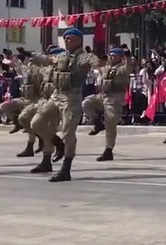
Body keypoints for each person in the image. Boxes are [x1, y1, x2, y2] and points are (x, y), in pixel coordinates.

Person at [30, 28, 97, 182]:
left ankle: (66, 169)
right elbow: (47, 59)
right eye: (65, 38)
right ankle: (57, 143)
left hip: (71, 98)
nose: (67, 41)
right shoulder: (62, 55)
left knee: (68, 133)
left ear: (79, 40)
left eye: (70, 38)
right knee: (36, 123)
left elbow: (93, 61)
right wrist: (32, 55)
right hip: (56, 95)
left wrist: (85, 64)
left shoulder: (83, 56)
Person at [81, 47, 135, 162]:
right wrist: (90, 53)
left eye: (114, 56)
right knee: (86, 103)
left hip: (115, 100)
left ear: (120, 57)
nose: (111, 57)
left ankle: (108, 150)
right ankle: (97, 123)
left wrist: (128, 56)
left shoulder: (122, 69)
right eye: (110, 55)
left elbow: (129, 67)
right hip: (103, 97)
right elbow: (96, 64)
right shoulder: (107, 68)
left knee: (110, 123)